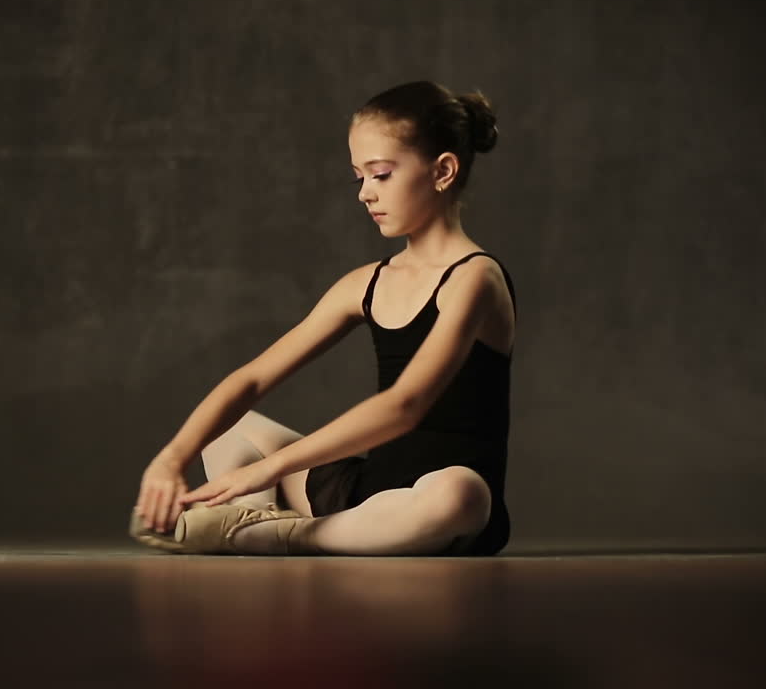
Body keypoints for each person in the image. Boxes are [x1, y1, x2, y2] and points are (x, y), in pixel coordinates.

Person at [129, 80, 516, 556]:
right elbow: (251, 380)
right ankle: (265, 522)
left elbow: (406, 405)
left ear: (443, 170)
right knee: (228, 426)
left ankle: (264, 534)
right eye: (359, 178)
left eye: (381, 174)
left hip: (438, 504)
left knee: (462, 493)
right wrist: (171, 459)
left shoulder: (476, 279)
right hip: (364, 497)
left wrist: (265, 470)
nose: (365, 194)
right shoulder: (366, 283)